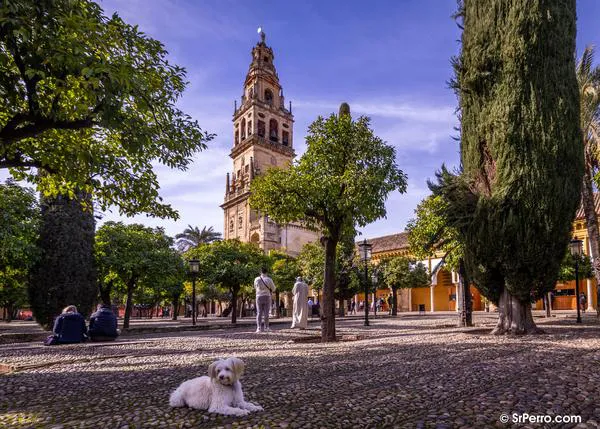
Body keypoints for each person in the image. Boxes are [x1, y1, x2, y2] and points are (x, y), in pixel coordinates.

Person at [254, 267, 276, 333]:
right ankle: (266, 327)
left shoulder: (256, 279)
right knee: (266, 313)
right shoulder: (269, 279)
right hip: (267, 296)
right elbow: (274, 288)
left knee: (259, 313)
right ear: (266, 272)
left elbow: (255, 287)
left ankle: (258, 328)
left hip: (258, 296)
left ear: (260, 272)